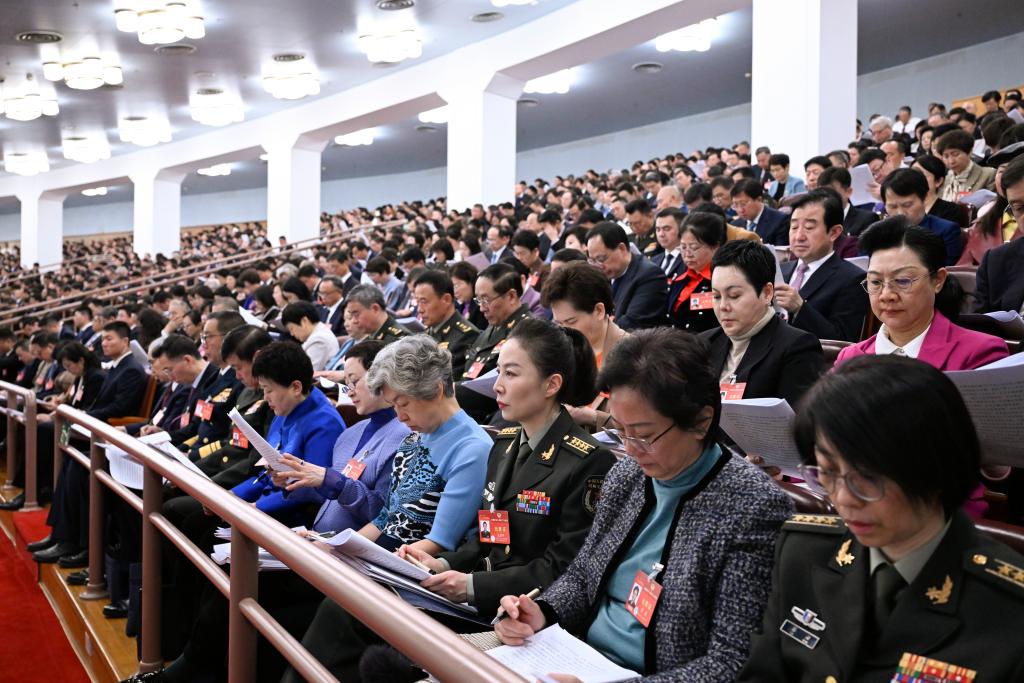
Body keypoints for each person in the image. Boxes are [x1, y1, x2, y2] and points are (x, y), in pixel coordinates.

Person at [493, 328, 793, 679]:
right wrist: (541, 612)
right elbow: (583, 574)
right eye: (621, 431)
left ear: (701, 421)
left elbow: (731, 662)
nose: (631, 449)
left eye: (645, 435)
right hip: (576, 658)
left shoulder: (752, 508)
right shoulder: (628, 478)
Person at [739, 356, 1024, 682]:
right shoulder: (804, 550)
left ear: (937, 469)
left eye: (868, 479)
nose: (843, 499)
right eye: (827, 473)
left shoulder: (1008, 607)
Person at [282, 335, 491, 683]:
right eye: (393, 404)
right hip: (384, 562)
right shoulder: (415, 436)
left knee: (338, 610)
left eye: (403, 403)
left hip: (420, 577)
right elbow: (384, 518)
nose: (399, 415)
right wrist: (334, 546)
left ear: (436, 390)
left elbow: (439, 542)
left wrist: (353, 557)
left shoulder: (471, 448)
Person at [33, 322, 148, 565]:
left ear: (126, 341)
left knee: (78, 465)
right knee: (71, 460)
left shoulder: (131, 370)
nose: (104, 343)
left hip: (114, 434)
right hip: (100, 430)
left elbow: (120, 409)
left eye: (110, 339)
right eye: (103, 339)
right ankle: (61, 535)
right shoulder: (115, 368)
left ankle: (81, 544)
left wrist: (86, 416)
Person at [836, 218, 1006, 371]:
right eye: (875, 282)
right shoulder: (850, 357)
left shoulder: (980, 353)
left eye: (902, 281)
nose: (886, 295)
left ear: (938, 280)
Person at [229, 341, 346, 527]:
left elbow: (311, 492)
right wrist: (234, 495)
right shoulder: (285, 409)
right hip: (265, 504)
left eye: (269, 390)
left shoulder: (325, 424)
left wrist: (256, 507)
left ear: (296, 387)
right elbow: (267, 474)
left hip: (291, 519)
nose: (265, 398)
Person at [701, 240, 824, 406]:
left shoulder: (796, 347)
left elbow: (797, 422)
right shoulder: (704, 343)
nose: (723, 306)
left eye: (735, 296)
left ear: (767, 293)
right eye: (716, 296)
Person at [775, 191, 870, 342]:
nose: (799, 236)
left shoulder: (852, 278)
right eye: (793, 227)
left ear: (834, 232)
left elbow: (843, 340)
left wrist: (800, 308)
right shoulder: (780, 270)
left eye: (809, 227)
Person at [586, 221, 667, 330]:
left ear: (622, 248)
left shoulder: (650, 275)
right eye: (593, 260)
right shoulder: (601, 275)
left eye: (601, 259)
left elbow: (632, 323)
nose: (599, 266)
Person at [881, 168, 963, 265]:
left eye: (907, 205)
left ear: (924, 198)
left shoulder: (946, 231)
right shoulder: (878, 233)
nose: (900, 213)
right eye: (892, 207)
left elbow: (946, 271)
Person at [413, 269, 480, 379]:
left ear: (446, 300)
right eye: (418, 302)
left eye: (424, 301)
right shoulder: (429, 331)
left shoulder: (466, 336)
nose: (419, 310)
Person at [666, 212, 723, 333]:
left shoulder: (721, 280)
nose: (687, 254)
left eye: (694, 247)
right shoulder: (679, 277)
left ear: (715, 246)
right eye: (683, 247)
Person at [935, 129, 997, 201]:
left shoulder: (988, 175)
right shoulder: (946, 180)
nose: (951, 161)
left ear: (969, 152)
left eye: (955, 154)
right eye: (946, 156)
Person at [281, 300, 340, 372]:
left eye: (291, 328)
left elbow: (307, 373)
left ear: (304, 321)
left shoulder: (319, 341)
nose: (292, 334)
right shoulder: (319, 332)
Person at [344, 284, 411, 345]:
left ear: (375, 309)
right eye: (351, 316)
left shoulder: (399, 339)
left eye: (356, 314)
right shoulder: (369, 337)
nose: (353, 321)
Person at [731, 178, 790, 245]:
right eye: (735, 205)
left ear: (759, 199)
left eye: (743, 204)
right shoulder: (734, 225)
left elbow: (781, 252)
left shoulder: (780, 220)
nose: (740, 210)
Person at [650, 207, 686, 279]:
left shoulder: (689, 259)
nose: (661, 234)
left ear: (681, 229)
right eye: (658, 229)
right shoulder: (653, 261)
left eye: (666, 229)